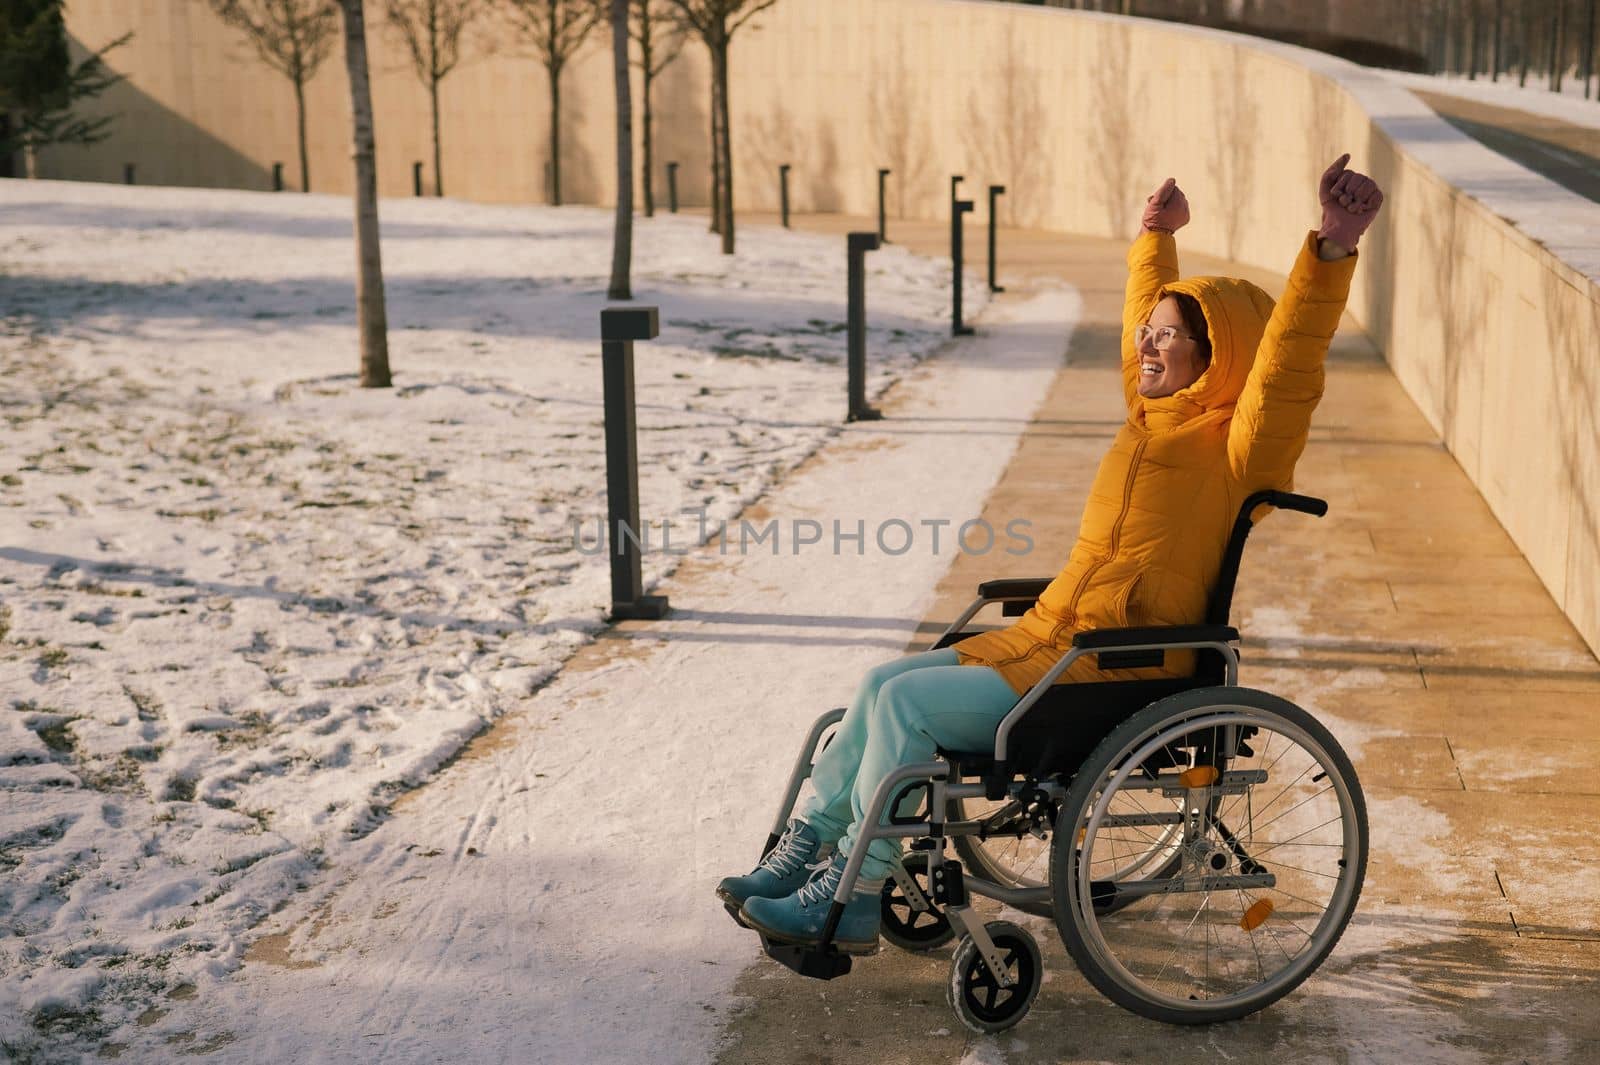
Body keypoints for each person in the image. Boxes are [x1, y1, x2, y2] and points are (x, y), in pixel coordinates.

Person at [718, 154, 1385, 954]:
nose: (1149, 344)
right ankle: (806, 852)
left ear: (1219, 359)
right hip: (1052, 641)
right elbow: (1144, 314)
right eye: (1150, 332)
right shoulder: (1151, 416)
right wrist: (1155, 239)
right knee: (879, 682)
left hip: (1115, 666)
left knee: (906, 709)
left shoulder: (1237, 448)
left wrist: (1333, 247)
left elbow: (1286, 366)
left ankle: (855, 892)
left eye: (1171, 337)